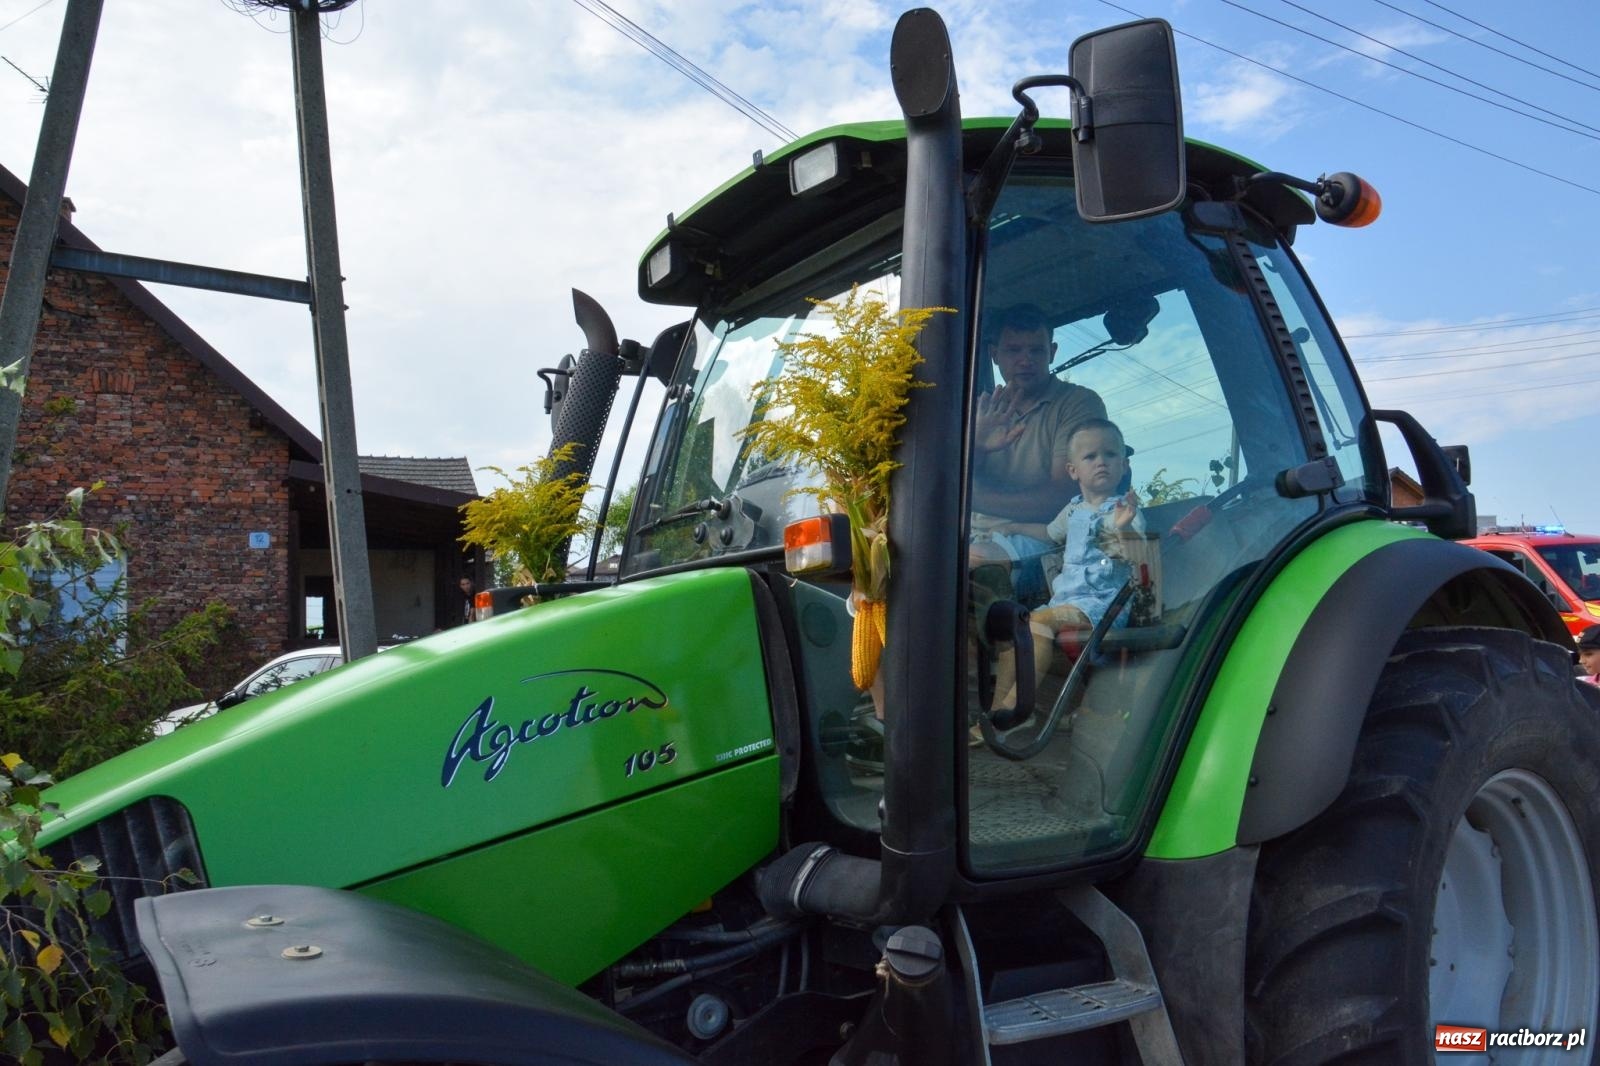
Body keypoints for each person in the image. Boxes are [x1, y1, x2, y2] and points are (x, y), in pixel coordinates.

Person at [986, 418, 1145, 711]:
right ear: (1073, 470)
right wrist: (1016, 526)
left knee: (1038, 623)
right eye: (1090, 456)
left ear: (1123, 465)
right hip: (1066, 602)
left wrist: (1123, 529)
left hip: (1102, 606)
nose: (1101, 462)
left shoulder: (1123, 511)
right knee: (1016, 631)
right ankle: (998, 714)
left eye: (1110, 455)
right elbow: (1048, 534)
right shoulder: (1073, 510)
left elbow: (1135, 556)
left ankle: (1015, 710)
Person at [967, 305, 1107, 604]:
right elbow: (949, 483)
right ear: (994, 354)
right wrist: (977, 445)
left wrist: (969, 498)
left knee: (964, 570)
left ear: (1052, 352)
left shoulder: (1077, 404)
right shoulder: (980, 412)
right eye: (1014, 350)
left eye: (1036, 351)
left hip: (1046, 539)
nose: (1025, 360)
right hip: (975, 536)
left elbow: (1059, 498)